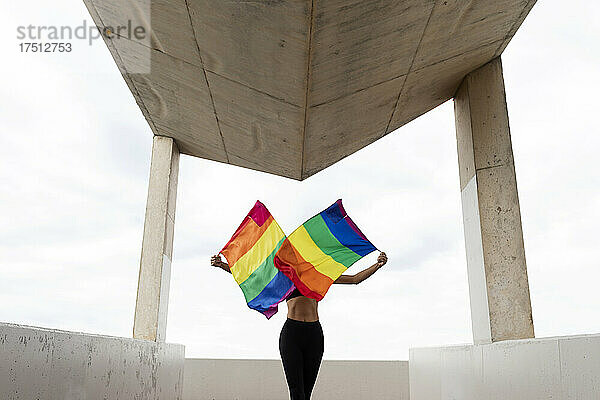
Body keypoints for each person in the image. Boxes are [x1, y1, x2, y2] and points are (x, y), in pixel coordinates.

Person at [210, 251, 388, 400]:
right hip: (292, 335)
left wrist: (377, 265)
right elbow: (253, 278)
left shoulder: (318, 277)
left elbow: (354, 279)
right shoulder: (286, 278)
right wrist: (222, 265)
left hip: (314, 335)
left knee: (307, 393)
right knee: (297, 391)